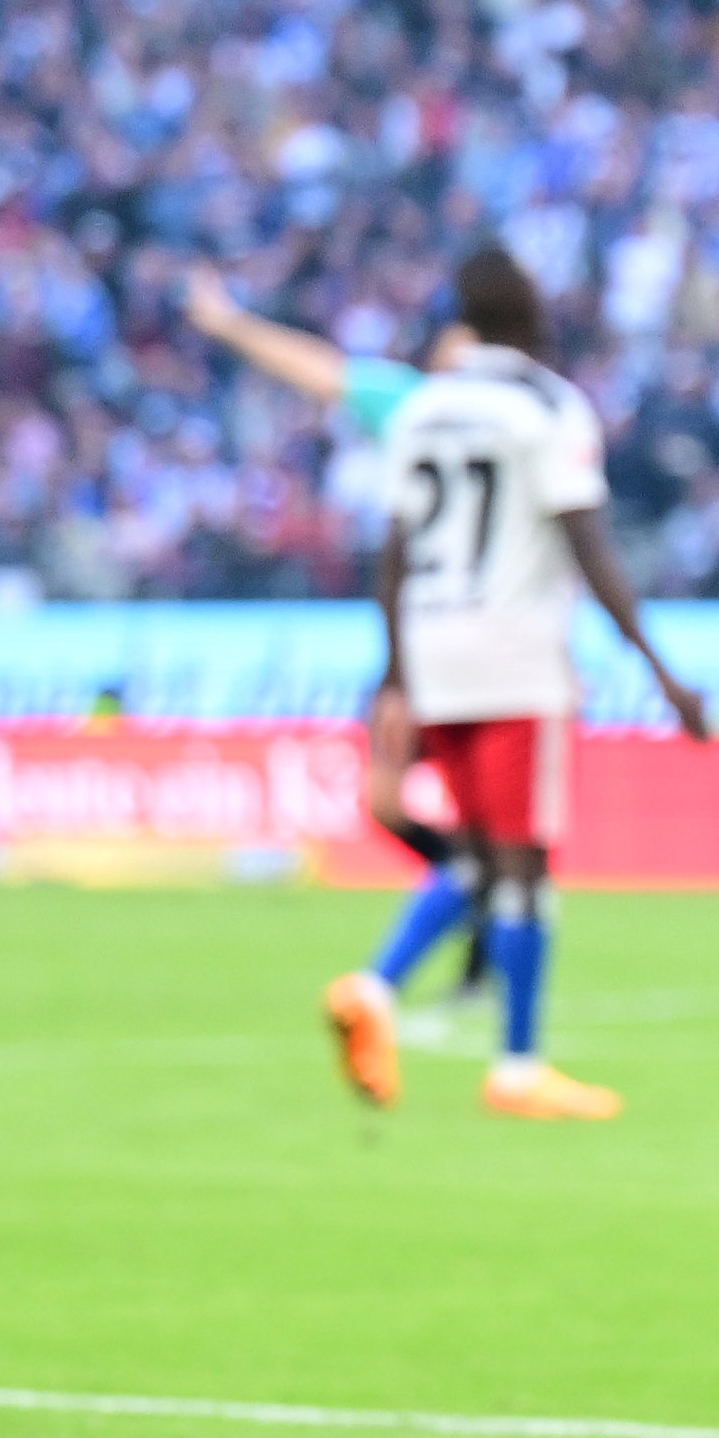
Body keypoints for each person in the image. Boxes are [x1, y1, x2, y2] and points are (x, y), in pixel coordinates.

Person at [322, 247, 711, 1121]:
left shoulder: (423, 409)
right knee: (524, 865)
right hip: (514, 656)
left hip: (431, 653)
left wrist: (394, 675)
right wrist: (660, 670)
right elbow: (588, 542)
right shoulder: (546, 404)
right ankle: (515, 1064)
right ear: (530, 315)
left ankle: (378, 990)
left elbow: (389, 556)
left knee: (472, 853)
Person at [186, 266, 495, 1022]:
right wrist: (229, 325)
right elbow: (319, 369)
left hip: (485, 642)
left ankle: (428, 960)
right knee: (385, 804)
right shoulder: (408, 410)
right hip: (419, 638)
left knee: (483, 816)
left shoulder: (515, 425)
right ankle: (474, 898)